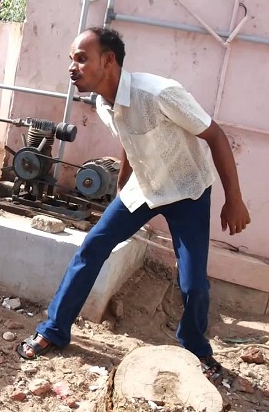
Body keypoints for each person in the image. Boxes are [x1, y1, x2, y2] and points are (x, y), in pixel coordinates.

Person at [16, 27, 251, 378]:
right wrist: (123, 182)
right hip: (143, 189)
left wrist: (234, 199)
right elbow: (130, 137)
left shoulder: (159, 94)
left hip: (187, 191)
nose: (72, 67)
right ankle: (53, 329)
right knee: (91, 249)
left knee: (193, 285)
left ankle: (195, 348)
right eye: (71, 59)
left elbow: (214, 135)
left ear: (108, 60)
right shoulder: (100, 101)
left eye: (82, 58)